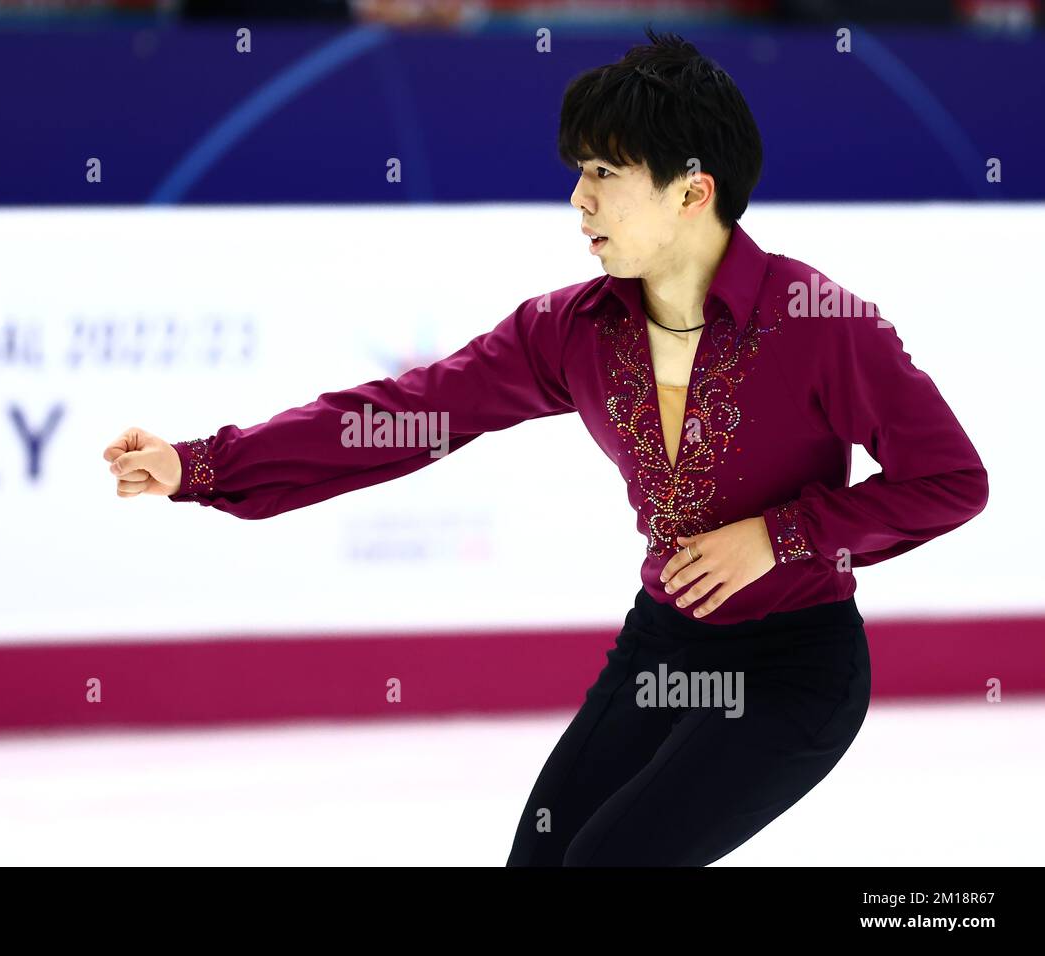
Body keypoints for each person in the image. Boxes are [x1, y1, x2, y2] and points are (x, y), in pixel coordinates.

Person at [102, 29, 989, 865]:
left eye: (605, 172)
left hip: (796, 667)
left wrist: (777, 536)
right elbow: (412, 410)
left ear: (691, 191)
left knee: (610, 860)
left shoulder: (817, 322)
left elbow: (951, 480)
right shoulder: (574, 330)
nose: (578, 198)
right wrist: (206, 463)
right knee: (544, 858)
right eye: (579, 172)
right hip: (662, 651)